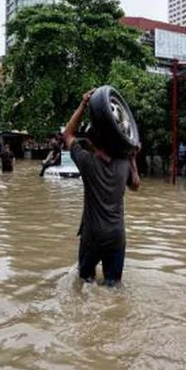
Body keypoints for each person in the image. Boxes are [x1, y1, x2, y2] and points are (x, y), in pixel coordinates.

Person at [64, 90, 141, 287]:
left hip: (92, 235)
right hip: (116, 235)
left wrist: (83, 105)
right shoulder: (123, 165)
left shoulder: (87, 163)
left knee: (85, 282)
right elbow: (136, 186)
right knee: (113, 287)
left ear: (93, 141)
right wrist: (133, 159)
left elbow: (68, 134)